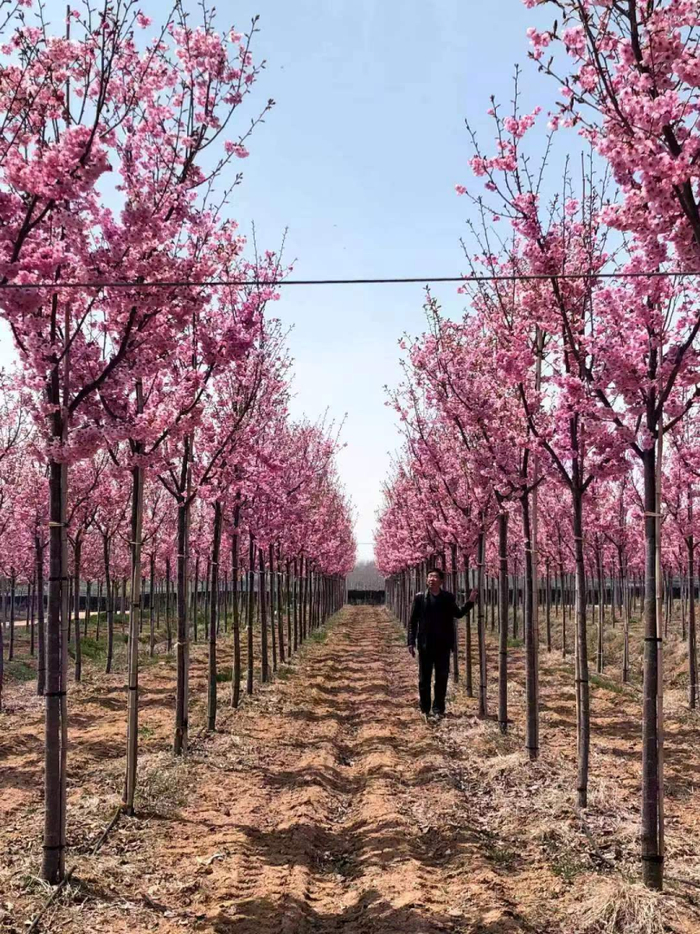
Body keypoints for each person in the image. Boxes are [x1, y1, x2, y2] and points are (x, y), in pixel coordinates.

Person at [407, 568, 478, 721]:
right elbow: (413, 622)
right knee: (424, 679)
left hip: (443, 645)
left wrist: (470, 602)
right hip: (425, 644)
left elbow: (458, 614)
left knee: (442, 678)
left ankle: (438, 708)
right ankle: (425, 708)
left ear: (441, 581)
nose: (431, 579)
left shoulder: (447, 598)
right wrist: (411, 642)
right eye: (429, 576)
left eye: (434, 576)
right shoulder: (420, 598)